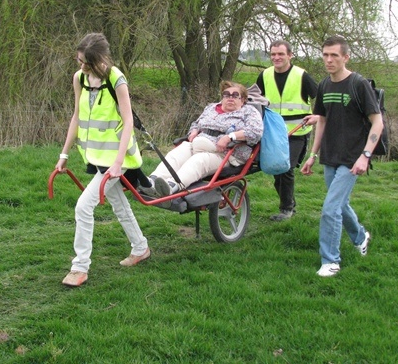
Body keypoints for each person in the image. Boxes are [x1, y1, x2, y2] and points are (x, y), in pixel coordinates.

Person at [56, 33, 150, 288]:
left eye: (86, 62)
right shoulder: (79, 79)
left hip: (118, 159)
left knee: (83, 207)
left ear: (100, 59)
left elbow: (129, 121)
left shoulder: (116, 79)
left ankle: (79, 267)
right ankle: (140, 248)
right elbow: (76, 116)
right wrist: (64, 154)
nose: (81, 66)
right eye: (79, 61)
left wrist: (119, 164)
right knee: (119, 203)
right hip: (96, 155)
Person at [301, 35, 383, 277]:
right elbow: (322, 121)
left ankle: (331, 261)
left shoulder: (358, 84)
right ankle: (360, 236)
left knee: (330, 208)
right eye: (325, 55)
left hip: (352, 157)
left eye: (334, 55)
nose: (328, 60)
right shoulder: (325, 85)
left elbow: (378, 122)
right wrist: (312, 155)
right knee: (340, 204)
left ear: (345, 57)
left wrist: (365, 156)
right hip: (330, 155)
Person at [143, 81, 264, 197]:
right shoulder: (211, 108)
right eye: (226, 95)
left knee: (199, 160)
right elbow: (196, 123)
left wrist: (230, 137)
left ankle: (172, 186)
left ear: (242, 100)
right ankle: (152, 181)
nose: (230, 98)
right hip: (198, 143)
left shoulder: (248, 111)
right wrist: (194, 131)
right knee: (178, 152)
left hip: (225, 152)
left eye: (235, 95)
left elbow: (255, 132)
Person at [256, 40, 318, 221]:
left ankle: (286, 210)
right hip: (273, 133)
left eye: (281, 54)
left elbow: (319, 98)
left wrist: (318, 116)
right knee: (277, 170)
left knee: (286, 168)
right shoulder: (265, 75)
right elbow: (255, 99)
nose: (276, 58)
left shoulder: (302, 76)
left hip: (297, 132)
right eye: (273, 54)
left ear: (290, 55)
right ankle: (290, 203)